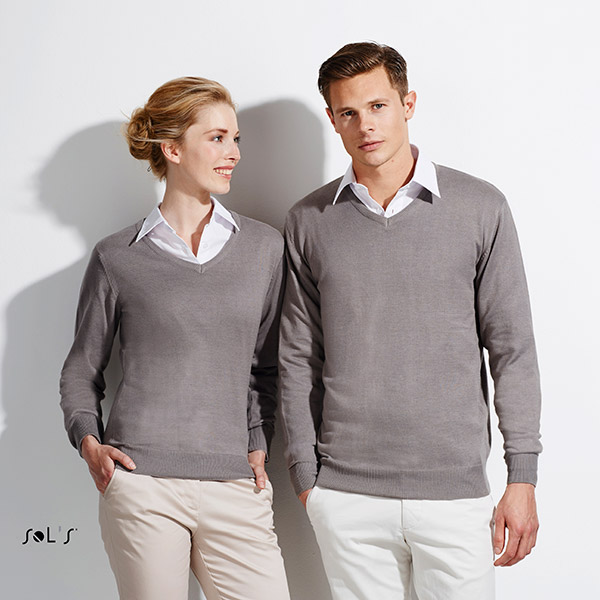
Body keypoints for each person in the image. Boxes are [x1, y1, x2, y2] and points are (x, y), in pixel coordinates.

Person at [279, 42, 541, 599]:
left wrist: (522, 476)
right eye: (348, 112)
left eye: (378, 106)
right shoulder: (309, 220)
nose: (365, 125)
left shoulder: (480, 207)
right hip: (346, 495)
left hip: (454, 492)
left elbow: (511, 348)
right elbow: (298, 355)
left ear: (408, 104)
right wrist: (306, 476)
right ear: (332, 119)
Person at [60, 77, 290, 600]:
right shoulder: (117, 256)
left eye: (235, 139)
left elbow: (266, 365)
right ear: (172, 148)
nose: (233, 153)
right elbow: (82, 367)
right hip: (141, 482)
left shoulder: (264, 248)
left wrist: (259, 439)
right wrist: (88, 440)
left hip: (235, 481)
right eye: (217, 138)